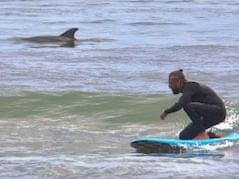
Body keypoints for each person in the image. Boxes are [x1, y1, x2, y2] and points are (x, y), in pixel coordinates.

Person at [160, 69, 226, 139]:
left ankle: (203, 133)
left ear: (178, 82)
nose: (169, 86)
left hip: (218, 112)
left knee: (187, 105)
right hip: (209, 116)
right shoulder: (188, 92)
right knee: (184, 136)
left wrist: (166, 112)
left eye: (171, 83)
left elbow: (180, 104)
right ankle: (214, 136)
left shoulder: (191, 86)